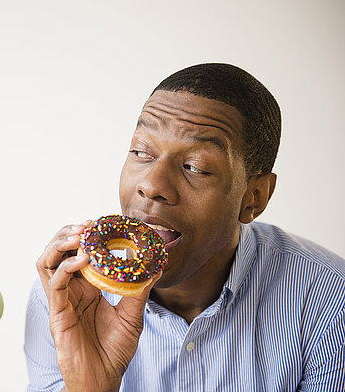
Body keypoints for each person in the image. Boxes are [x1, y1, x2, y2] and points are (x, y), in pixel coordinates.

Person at [25, 63, 345, 391]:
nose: (151, 185)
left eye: (195, 167)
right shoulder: (65, 291)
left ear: (253, 197)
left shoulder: (330, 300)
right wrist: (90, 386)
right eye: (140, 152)